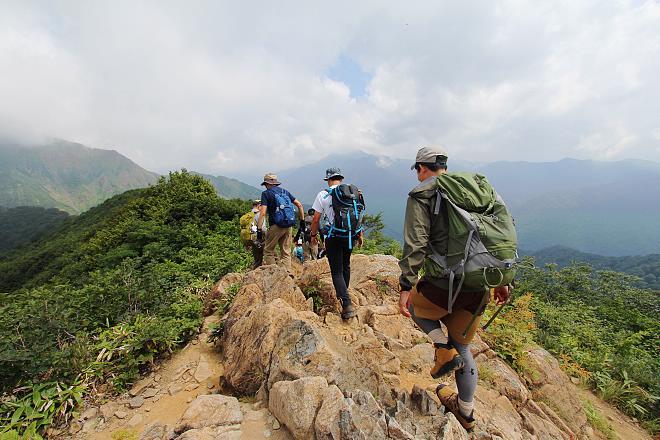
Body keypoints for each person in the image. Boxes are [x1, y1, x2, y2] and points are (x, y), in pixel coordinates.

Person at [398, 146, 511, 431]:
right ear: (444, 166)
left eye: (417, 169)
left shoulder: (423, 193)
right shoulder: (477, 191)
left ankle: (442, 348)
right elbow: (499, 238)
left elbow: (416, 243)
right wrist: (502, 280)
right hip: (479, 285)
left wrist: (406, 284)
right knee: (465, 346)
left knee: (413, 307)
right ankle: (466, 412)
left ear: (422, 168)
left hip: (441, 285)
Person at [310, 168, 364, 319]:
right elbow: (358, 214)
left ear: (328, 180)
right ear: (340, 179)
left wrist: (313, 235)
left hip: (333, 236)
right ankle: (344, 294)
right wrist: (359, 234)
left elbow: (316, 219)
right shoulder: (353, 193)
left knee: (336, 271)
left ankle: (346, 304)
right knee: (346, 265)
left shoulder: (323, 194)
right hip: (350, 235)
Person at [257, 173, 305, 271]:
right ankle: (288, 275)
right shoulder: (285, 192)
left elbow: (262, 213)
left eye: (265, 185)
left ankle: (275, 274)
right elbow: (299, 205)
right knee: (286, 252)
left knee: (268, 250)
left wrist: (259, 229)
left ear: (267, 183)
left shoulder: (266, 193)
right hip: (288, 225)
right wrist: (302, 221)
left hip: (276, 225)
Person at [239, 200, 266, 269]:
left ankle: (254, 273)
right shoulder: (260, 214)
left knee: (257, 259)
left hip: (252, 239)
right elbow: (263, 229)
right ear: (259, 206)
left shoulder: (248, 215)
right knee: (270, 253)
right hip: (259, 239)